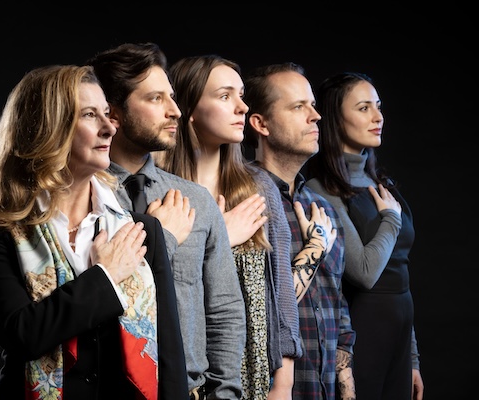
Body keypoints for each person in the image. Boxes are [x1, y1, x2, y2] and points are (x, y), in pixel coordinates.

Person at [0, 64, 188, 400]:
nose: (109, 129)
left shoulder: (143, 231)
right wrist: (106, 275)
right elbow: (25, 335)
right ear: (46, 129)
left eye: (107, 114)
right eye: (88, 115)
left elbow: (169, 362)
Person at [159, 54, 336, 400]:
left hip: (255, 375)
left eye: (241, 95)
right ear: (188, 108)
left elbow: (280, 297)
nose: (241, 107)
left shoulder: (258, 188)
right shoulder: (161, 190)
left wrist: (282, 385)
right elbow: (157, 286)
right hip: (182, 372)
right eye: (226, 97)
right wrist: (219, 236)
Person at [87, 43, 247, 399]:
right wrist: (161, 238)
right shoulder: (82, 199)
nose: (174, 111)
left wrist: (224, 395)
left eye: (172, 98)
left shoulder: (196, 202)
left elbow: (224, 310)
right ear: (113, 114)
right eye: (156, 99)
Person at [306, 71, 424, 400]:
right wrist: (390, 219)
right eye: (363, 108)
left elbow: (400, 273)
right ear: (334, 119)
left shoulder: (381, 184)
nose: (377, 116)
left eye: (378, 106)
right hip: (362, 332)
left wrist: (412, 359)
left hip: (399, 335)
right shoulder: (321, 190)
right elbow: (365, 271)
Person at [243, 62, 356, 400]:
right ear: (261, 124)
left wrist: (347, 389)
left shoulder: (319, 207)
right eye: (298, 107)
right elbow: (257, 310)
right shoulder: (244, 199)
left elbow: (338, 306)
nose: (316, 116)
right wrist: (315, 248)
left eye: (312, 105)